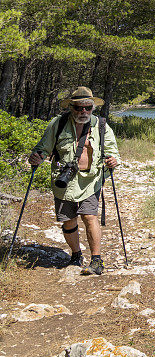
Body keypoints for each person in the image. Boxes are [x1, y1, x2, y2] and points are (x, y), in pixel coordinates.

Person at [29, 86, 120, 275]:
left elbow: (113, 152)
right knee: (68, 221)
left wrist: (113, 160)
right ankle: (76, 255)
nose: (83, 112)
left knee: (89, 216)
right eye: (79, 108)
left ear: (92, 107)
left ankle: (96, 261)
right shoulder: (58, 123)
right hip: (63, 181)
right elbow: (43, 147)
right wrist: (37, 156)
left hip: (91, 180)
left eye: (87, 107)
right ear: (71, 107)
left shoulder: (101, 125)